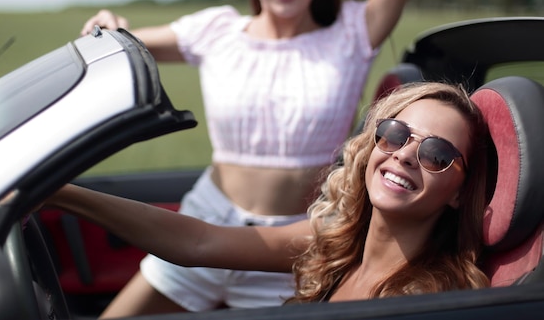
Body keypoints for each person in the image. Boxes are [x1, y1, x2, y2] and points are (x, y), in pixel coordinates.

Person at [79, 0, 429, 316]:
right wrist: (105, 25)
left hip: (293, 249)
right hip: (202, 223)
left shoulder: (354, 32)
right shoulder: (216, 30)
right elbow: (117, 44)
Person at [43, 81, 493, 308]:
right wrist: (60, 192)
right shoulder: (335, 243)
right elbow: (197, 243)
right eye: (395, 134)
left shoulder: (431, 298)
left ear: (458, 193)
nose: (407, 155)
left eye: (437, 153)